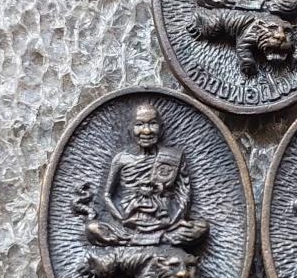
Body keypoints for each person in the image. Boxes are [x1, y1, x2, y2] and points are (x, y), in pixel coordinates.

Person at [84, 103, 208, 248]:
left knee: (201, 228)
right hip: (128, 224)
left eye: (153, 124)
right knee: (92, 228)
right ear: (130, 129)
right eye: (139, 124)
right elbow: (107, 195)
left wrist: (174, 220)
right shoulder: (121, 159)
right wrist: (122, 219)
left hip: (164, 224)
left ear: (161, 129)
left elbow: (184, 194)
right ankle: (148, 239)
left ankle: (141, 240)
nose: (146, 131)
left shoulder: (173, 157)